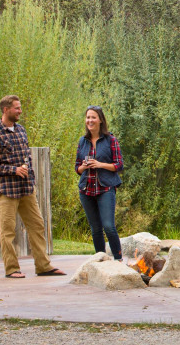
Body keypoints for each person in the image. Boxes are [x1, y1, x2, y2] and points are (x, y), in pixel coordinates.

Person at [0, 95, 66, 278]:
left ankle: (43, 266)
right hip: (6, 191)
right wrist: (13, 170)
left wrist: (30, 176)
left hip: (27, 189)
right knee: (8, 232)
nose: (20, 111)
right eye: (17, 108)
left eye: (20, 108)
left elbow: (27, 157)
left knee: (37, 225)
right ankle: (12, 269)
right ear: (6, 110)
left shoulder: (21, 130)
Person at [75, 105, 123, 260]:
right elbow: (77, 169)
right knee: (95, 228)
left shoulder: (111, 140)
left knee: (108, 226)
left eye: (93, 117)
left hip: (105, 188)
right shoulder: (82, 141)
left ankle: (118, 259)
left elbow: (119, 165)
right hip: (86, 189)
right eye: (88, 117)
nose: (90, 120)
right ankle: (101, 260)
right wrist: (84, 166)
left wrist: (100, 164)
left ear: (100, 120)